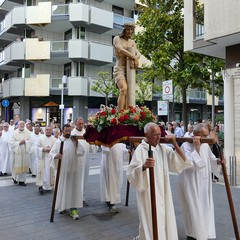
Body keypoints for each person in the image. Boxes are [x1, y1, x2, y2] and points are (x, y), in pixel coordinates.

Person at [127, 122, 192, 240]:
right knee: (151, 219)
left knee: (164, 217)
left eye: (159, 134)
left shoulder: (162, 148)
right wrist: (143, 167)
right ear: (146, 135)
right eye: (154, 135)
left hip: (163, 190)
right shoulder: (141, 150)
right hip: (148, 192)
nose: (158, 137)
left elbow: (182, 161)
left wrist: (175, 144)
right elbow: (131, 174)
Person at [179, 123, 224, 240]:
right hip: (191, 182)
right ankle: (193, 235)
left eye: (206, 135)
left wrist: (218, 161)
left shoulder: (205, 145)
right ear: (195, 135)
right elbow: (191, 165)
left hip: (204, 182)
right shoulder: (185, 145)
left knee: (205, 207)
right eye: (203, 135)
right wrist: (197, 148)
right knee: (193, 208)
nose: (206, 138)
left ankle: (204, 233)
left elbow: (211, 159)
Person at [49, 124, 85, 220]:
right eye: (66, 131)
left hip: (74, 170)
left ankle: (73, 208)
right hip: (63, 171)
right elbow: (51, 154)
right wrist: (56, 156)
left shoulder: (74, 141)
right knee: (63, 187)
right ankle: (63, 206)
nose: (68, 132)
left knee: (73, 189)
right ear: (62, 131)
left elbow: (81, 152)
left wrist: (77, 144)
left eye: (70, 130)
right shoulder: (59, 142)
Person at [113, 22, 140, 111]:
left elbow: (138, 53)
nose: (129, 31)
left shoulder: (132, 42)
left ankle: (128, 112)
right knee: (123, 89)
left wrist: (136, 58)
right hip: (120, 68)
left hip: (130, 70)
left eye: (131, 29)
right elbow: (120, 49)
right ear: (124, 29)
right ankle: (120, 114)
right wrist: (134, 57)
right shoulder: (117, 39)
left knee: (131, 92)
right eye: (128, 29)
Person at [100, 143, 128, 213]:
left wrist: (128, 152)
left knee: (117, 182)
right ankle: (111, 203)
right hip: (108, 164)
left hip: (118, 165)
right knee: (109, 182)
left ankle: (112, 200)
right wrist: (108, 145)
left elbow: (124, 152)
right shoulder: (106, 139)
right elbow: (105, 150)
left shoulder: (120, 142)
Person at [71, 117, 90, 206]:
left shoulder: (86, 132)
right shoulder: (73, 133)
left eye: (82, 123)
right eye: (79, 124)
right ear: (75, 124)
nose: (81, 125)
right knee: (78, 178)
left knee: (85, 178)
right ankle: (77, 198)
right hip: (78, 160)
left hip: (86, 159)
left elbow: (89, 144)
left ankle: (83, 198)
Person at [9, 121, 33, 186]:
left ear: (24, 125)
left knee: (23, 165)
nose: (22, 125)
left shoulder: (28, 133)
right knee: (16, 166)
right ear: (18, 125)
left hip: (25, 152)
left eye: (23, 124)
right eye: (20, 124)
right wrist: (19, 143)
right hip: (17, 153)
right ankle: (15, 178)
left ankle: (22, 181)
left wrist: (25, 142)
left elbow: (31, 141)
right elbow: (11, 142)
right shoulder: (13, 133)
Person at [36, 125, 56, 194]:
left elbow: (57, 149)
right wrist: (43, 149)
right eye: (47, 130)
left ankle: (49, 187)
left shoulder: (54, 139)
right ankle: (41, 186)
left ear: (51, 131)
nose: (48, 131)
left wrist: (52, 150)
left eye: (49, 130)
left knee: (49, 172)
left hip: (50, 159)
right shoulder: (40, 138)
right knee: (43, 172)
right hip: (43, 158)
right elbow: (37, 147)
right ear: (45, 130)